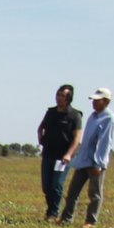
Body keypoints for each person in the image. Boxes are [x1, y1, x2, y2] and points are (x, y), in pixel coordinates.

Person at [59, 87, 114, 227]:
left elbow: (104, 142)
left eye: (98, 100)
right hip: (83, 160)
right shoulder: (92, 116)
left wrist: (98, 163)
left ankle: (91, 221)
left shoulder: (109, 118)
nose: (94, 103)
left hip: (95, 162)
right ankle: (66, 218)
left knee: (94, 194)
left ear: (106, 101)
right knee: (72, 192)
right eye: (93, 100)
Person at [36, 84, 82, 220]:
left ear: (69, 98)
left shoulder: (75, 115)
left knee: (56, 184)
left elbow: (77, 138)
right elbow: (40, 128)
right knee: (46, 186)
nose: (59, 98)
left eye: (62, 95)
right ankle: (50, 210)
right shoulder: (50, 112)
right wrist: (41, 139)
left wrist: (69, 154)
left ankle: (53, 213)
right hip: (48, 154)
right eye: (58, 94)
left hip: (62, 158)